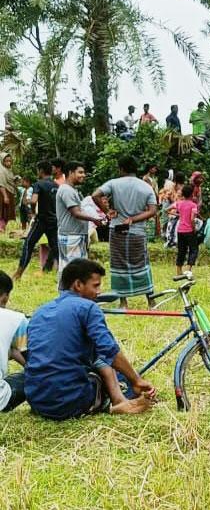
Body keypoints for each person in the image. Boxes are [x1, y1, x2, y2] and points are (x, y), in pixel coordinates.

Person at [25, 259, 156, 419]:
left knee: (101, 363)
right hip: (69, 401)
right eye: (95, 285)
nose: (99, 291)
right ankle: (113, 404)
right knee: (123, 381)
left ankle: (115, 399)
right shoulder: (88, 307)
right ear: (78, 285)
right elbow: (110, 351)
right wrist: (136, 380)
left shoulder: (40, 311)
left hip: (36, 400)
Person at [91, 156, 158, 304]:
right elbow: (153, 210)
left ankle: (123, 302)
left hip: (117, 229)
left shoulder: (113, 183)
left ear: (121, 169)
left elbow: (95, 195)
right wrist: (134, 219)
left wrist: (107, 211)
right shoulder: (146, 186)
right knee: (142, 263)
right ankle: (151, 301)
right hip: (138, 232)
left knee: (118, 263)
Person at [55, 162, 101, 282]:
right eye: (80, 172)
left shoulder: (72, 190)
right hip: (71, 236)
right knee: (72, 271)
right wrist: (95, 219)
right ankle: (67, 296)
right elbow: (76, 212)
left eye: (83, 172)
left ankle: (73, 296)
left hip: (75, 235)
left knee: (76, 270)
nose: (83, 175)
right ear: (70, 173)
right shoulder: (67, 191)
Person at [13, 162, 59, 281]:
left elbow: (33, 201)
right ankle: (65, 275)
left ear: (41, 171)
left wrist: (33, 212)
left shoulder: (38, 184)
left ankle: (18, 274)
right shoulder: (56, 185)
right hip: (54, 221)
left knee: (28, 244)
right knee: (56, 248)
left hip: (41, 220)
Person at [0, 272, 28, 413]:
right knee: (34, 375)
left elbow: (12, 350)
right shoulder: (16, 319)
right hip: (1, 399)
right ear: (5, 296)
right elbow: (34, 362)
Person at [172, 184, 200, 275]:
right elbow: (192, 219)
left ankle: (179, 271)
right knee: (193, 249)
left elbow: (167, 210)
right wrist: (194, 228)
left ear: (183, 194)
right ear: (192, 194)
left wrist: (179, 215)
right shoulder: (193, 205)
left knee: (181, 250)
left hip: (180, 230)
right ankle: (188, 269)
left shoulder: (179, 203)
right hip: (189, 230)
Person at [0, 153, 16, 233]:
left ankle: (3, 229)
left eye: (10, 161)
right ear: (2, 161)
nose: (9, 163)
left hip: (9, 192)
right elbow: (1, 184)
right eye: (6, 161)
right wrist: (5, 196)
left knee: (7, 213)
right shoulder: (1, 171)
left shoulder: (8, 170)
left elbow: (9, 181)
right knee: (3, 212)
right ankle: (1, 229)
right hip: (3, 194)